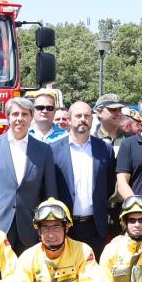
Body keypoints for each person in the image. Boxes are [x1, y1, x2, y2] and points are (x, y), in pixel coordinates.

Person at [0, 97, 56, 254]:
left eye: (25, 114)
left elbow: (50, 193)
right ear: (7, 118)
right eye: (15, 114)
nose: (20, 119)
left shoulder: (43, 150)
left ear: (31, 117)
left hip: (30, 226)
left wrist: (48, 226)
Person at [51, 100, 115, 259]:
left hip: (95, 226)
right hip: (65, 226)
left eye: (87, 115)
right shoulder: (53, 150)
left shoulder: (104, 149)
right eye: (78, 115)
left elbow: (110, 185)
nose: (83, 119)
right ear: (69, 118)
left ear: (92, 119)